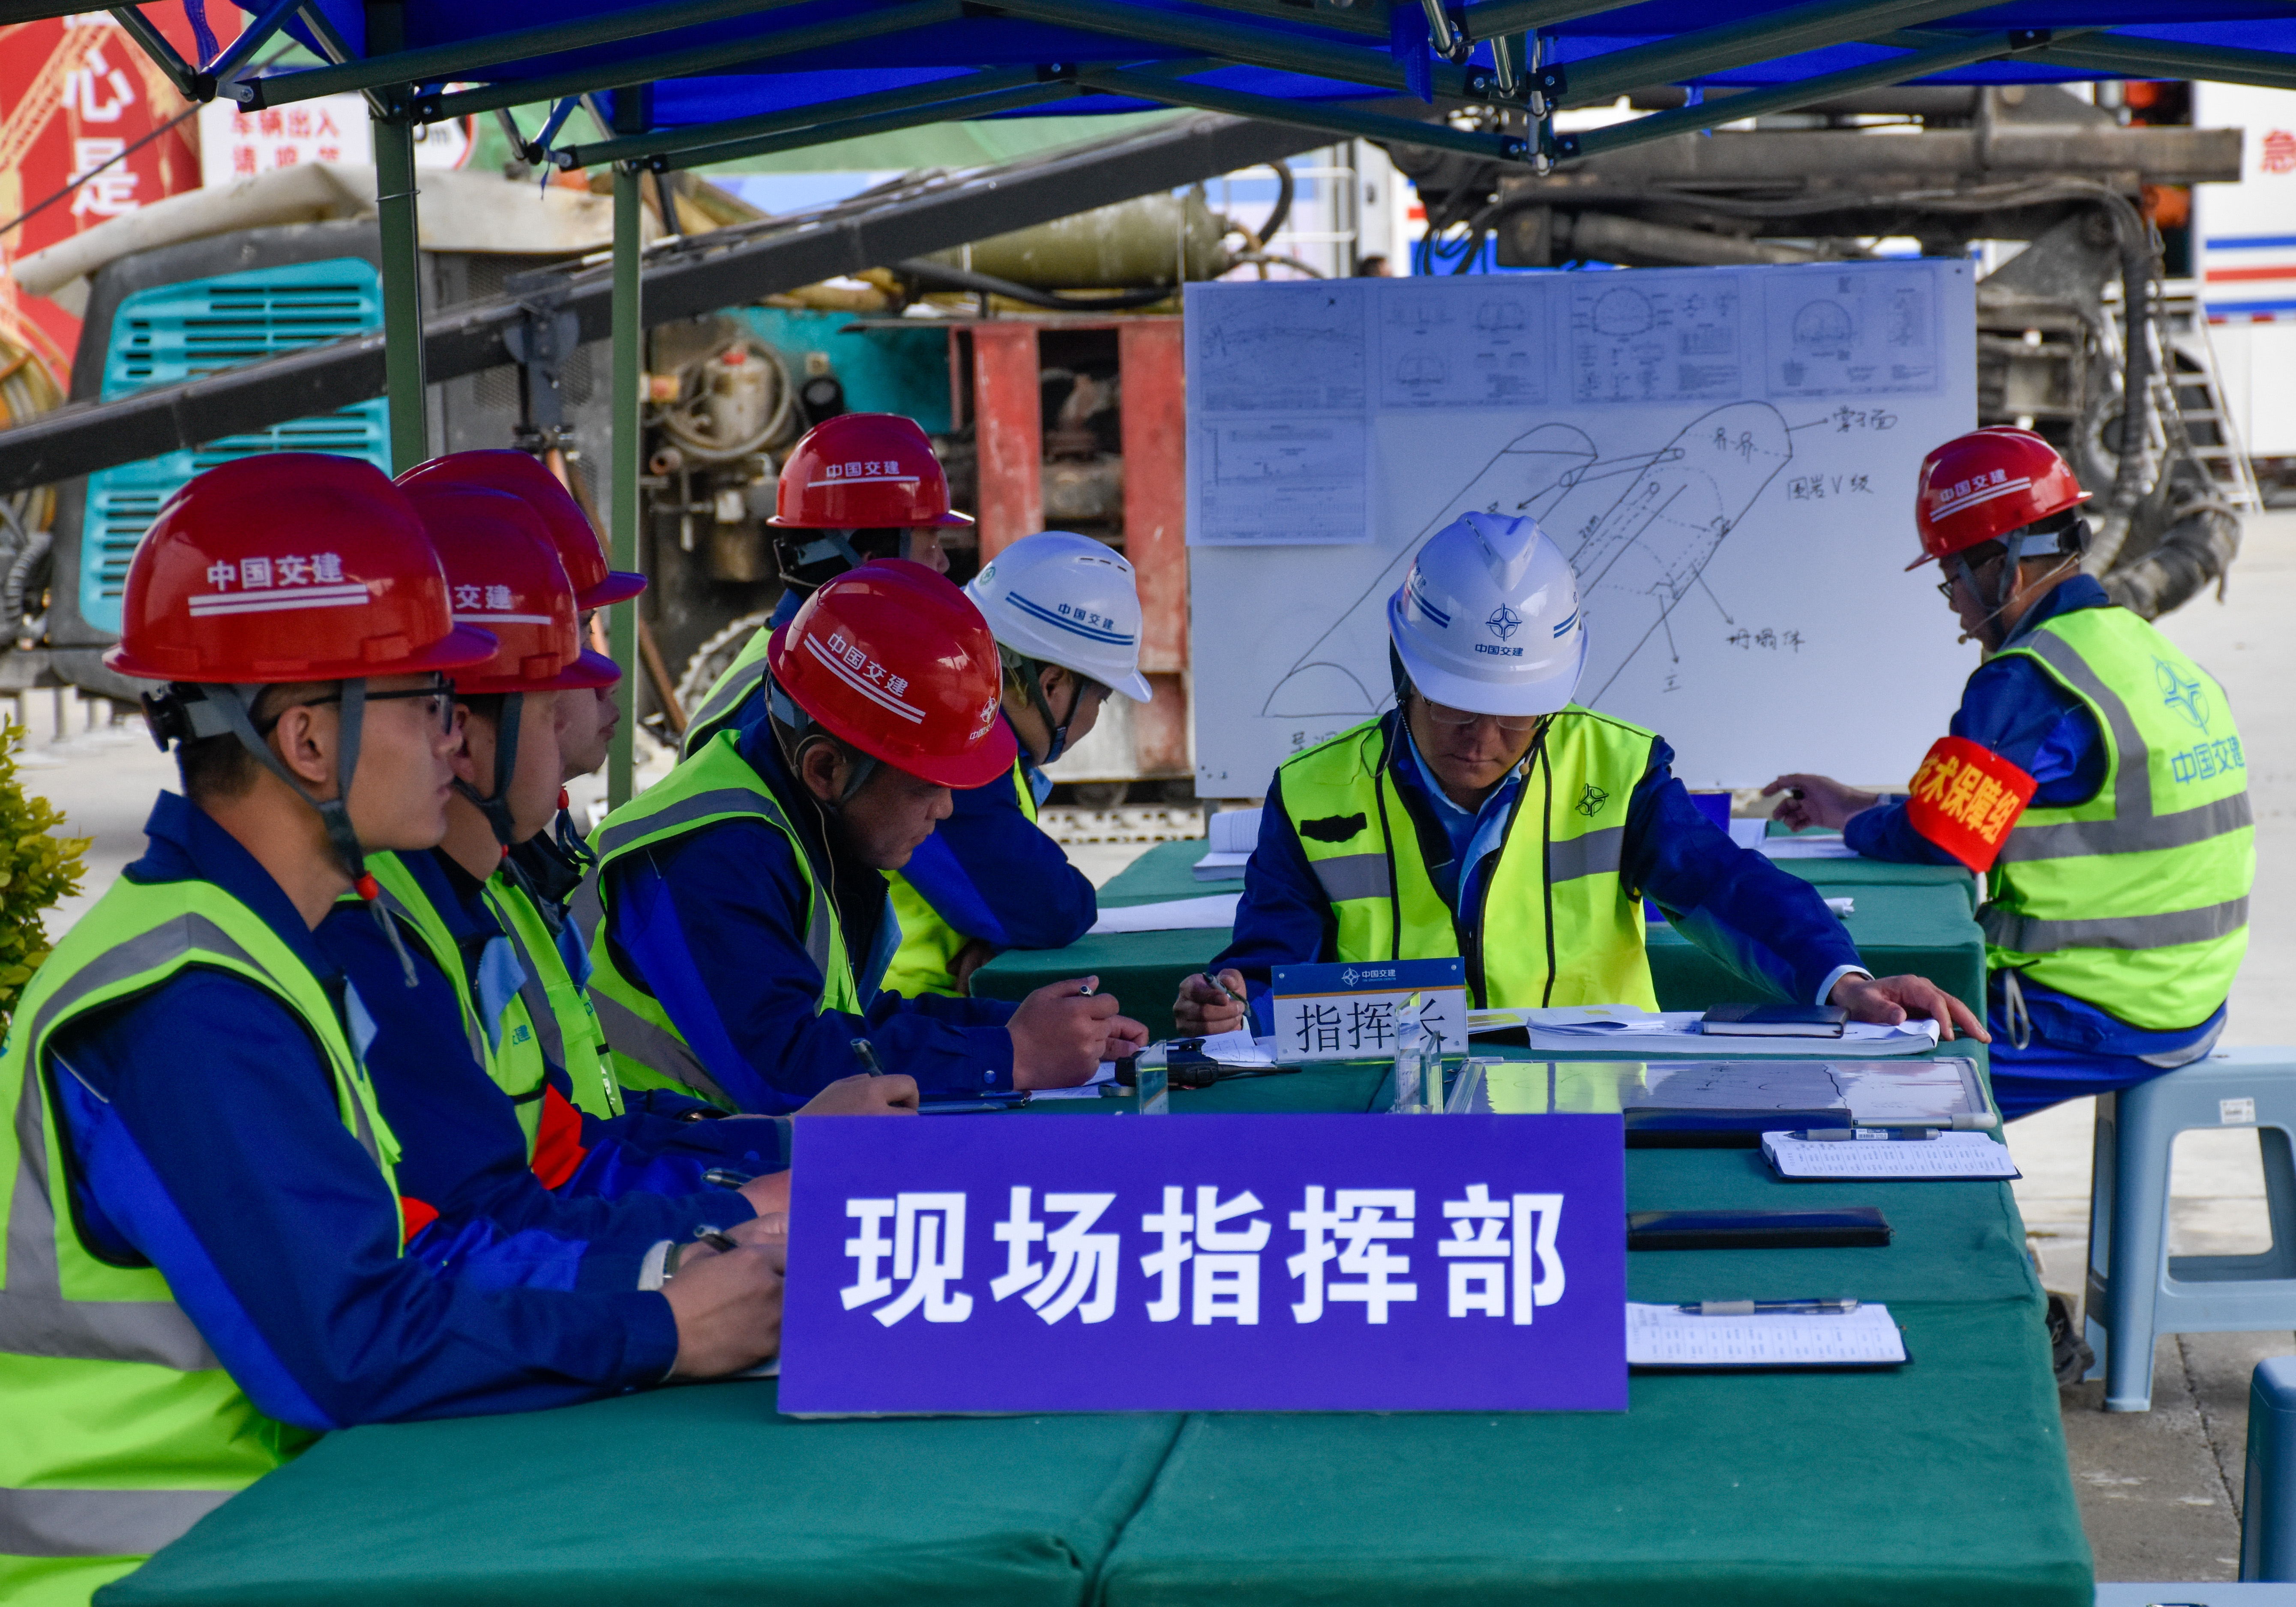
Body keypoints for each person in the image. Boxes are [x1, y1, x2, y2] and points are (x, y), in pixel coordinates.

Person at [0, 457, 782, 1607]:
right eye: (427, 705)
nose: (453, 743)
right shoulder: (188, 1003)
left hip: (286, 1529)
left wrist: (660, 1279)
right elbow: (350, 1341)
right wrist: (655, 1323)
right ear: (308, 743)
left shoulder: (259, 949)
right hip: (151, 1571)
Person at [1176, 510, 1982, 1039]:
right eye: (1455, 706)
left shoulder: (1620, 772)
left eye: (1516, 714)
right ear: (1405, 672)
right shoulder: (1316, 793)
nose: (1482, 740)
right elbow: (1271, 960)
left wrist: (1839, 979)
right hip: (1396, 1101)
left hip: (1598, 1101)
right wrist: (1231, 999)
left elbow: (1725, 886)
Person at [1762, 428, 2251, 1119]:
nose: (1957, 611)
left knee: (1834, 1085)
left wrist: (1868, 821)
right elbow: (2007, 802)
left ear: (2005, 568)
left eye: (1951, 579)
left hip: (2091, 1015)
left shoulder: (2030, 678)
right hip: (2183, 996)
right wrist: (1855, 807)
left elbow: (1940, 837)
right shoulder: (2140, 650)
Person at [585, 560, 1146, 1113]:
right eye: (927, 786)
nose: (946, 809)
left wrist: (1018, 1024)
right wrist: (1010, 1052)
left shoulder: (803, 824)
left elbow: (851, 1025)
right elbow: (787, 1071)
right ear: (826, 769)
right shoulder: (712, 856)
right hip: (653, 1171)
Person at [884, 530, 1147, 997]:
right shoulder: (958, 753)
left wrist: (996, 934)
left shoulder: (976, 740)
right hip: (891, 1019)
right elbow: (1049, 907)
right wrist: (1006, 927)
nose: (1093, 719)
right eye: (1101, 699)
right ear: (1051, 685)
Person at [681, 412, 972, 754]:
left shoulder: (808, 667)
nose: (943, 563)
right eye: (932, 542)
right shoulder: (776, 708)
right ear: (872, 561)